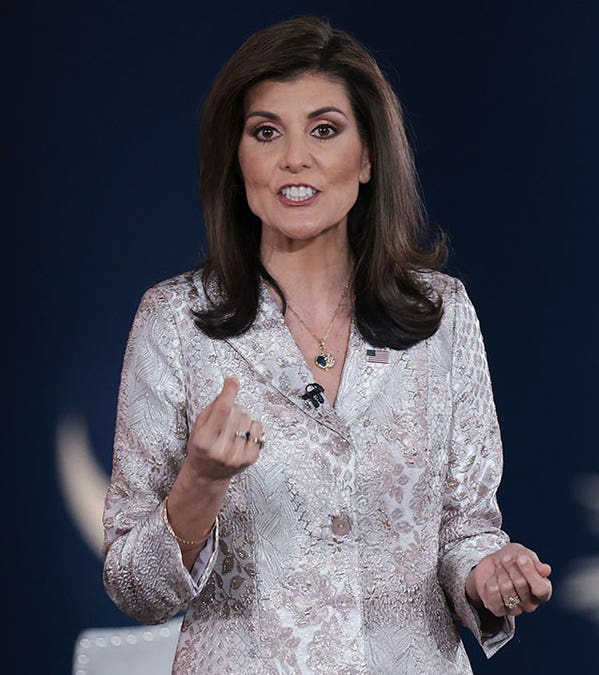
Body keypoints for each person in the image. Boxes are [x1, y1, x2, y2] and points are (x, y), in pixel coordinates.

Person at [102, 16, 552, 673]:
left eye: (324, 129)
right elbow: (132, 586)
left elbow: (466, 530)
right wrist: (199, 483)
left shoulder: (441, 315)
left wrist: (491, 572)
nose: (295, 158)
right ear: (237, 158)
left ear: (367, 157)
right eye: (266, 132)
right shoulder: (177, 321)